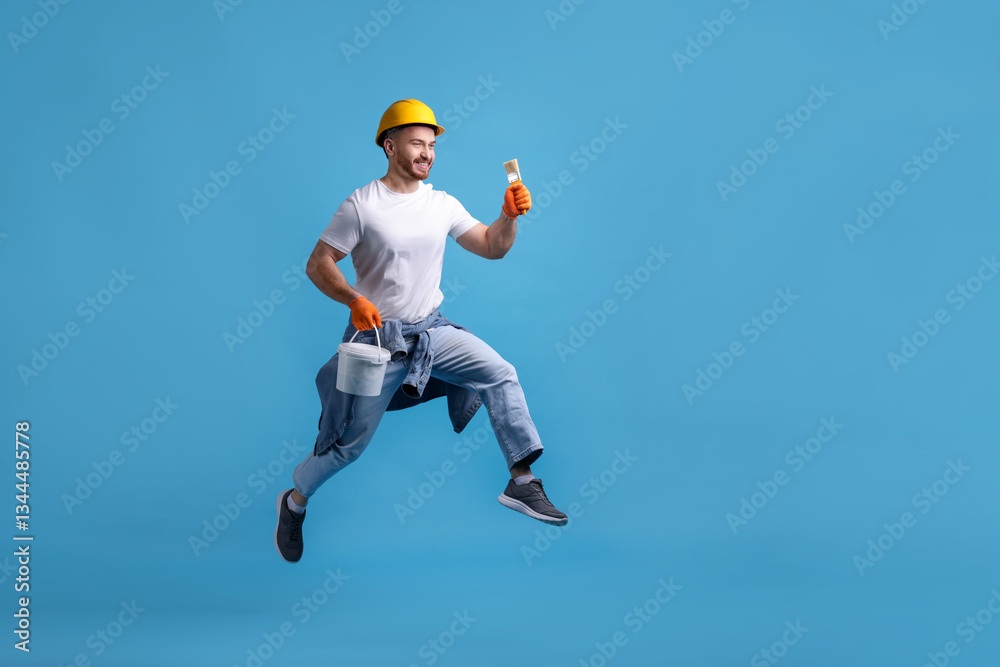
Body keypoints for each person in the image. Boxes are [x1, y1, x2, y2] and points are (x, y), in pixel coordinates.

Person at [274, 99, 566, 562]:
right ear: (390, 147)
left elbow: (492, 247)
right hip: (375, 341)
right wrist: (354, 299)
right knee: (349, 445)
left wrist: (508, 217)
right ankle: (294, 501)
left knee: (500, 372)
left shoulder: (442, 204)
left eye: (432, 145)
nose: (427, 154)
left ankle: (523, 482)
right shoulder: (361, 205)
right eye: (417, 144)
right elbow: (318, 264)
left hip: (432, 332)